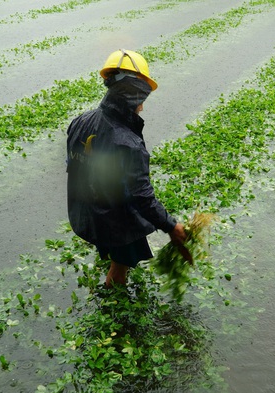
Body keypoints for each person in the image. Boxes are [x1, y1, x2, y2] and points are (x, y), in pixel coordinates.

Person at [66, 49, 189, 288]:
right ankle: (113, 294)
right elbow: (142, 196)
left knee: (116, 252)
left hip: (84, 215)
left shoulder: (80, 121)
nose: (143, 103)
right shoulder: (128, 143)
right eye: (142, 94)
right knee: (120, 267)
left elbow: (75, 167)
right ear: (133, 93)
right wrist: (171, 226)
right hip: (113, 223)